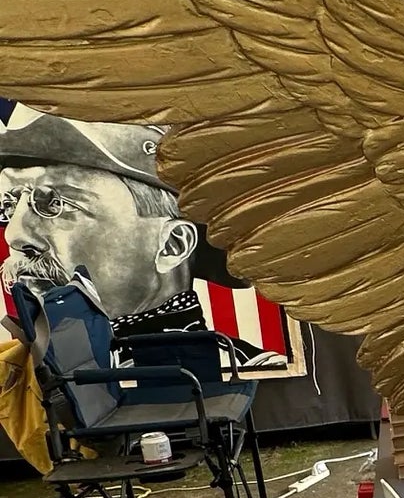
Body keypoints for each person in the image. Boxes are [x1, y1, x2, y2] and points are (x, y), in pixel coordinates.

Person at [0, 112, 282, 363]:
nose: (15, 235)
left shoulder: (237, 368)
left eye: (54, 203)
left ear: (173, 245)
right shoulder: (25, 378)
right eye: (10, 205)